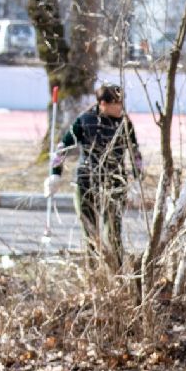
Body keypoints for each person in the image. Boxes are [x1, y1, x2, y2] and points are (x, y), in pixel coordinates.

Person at [46, 82, 142, 261]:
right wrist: (55, 174)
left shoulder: (124, 123)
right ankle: (93, 269)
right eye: (117, 103)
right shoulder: (85, 120)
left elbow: (135, 152)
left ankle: (116, 270)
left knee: (113, 233)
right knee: (90, 234)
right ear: (103, 103)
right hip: (86, 181)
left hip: (115, 182)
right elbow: (63, 147)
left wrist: (137, 180)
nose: (121, 107)